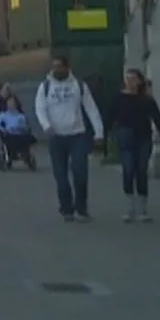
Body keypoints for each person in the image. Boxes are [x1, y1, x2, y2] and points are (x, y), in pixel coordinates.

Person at [35, 56, 105, 221]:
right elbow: (40, 108)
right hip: (56, 137)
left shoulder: (78, 86)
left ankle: (81, 207)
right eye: (54, 67)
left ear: (67, 67)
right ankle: (66, 208)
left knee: (80, 171)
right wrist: (46, 126)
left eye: (59, 66)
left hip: (77, 135)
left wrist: (99, 132)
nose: (56, 70)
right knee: (61, 176)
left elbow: (91, 109)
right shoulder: (45, 87)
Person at [105, 69, 160, 222]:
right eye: (127, 78)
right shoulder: (118, 98)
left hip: (143, 138)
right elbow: (109, 117)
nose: (130, 82)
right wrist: (103, 134)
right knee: (128, 169)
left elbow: (157, 118)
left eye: (133, 78)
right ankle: (130, 206)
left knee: (141, 170)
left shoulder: (146, 99)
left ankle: (142, 208)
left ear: (139, 81)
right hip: (125, 137)